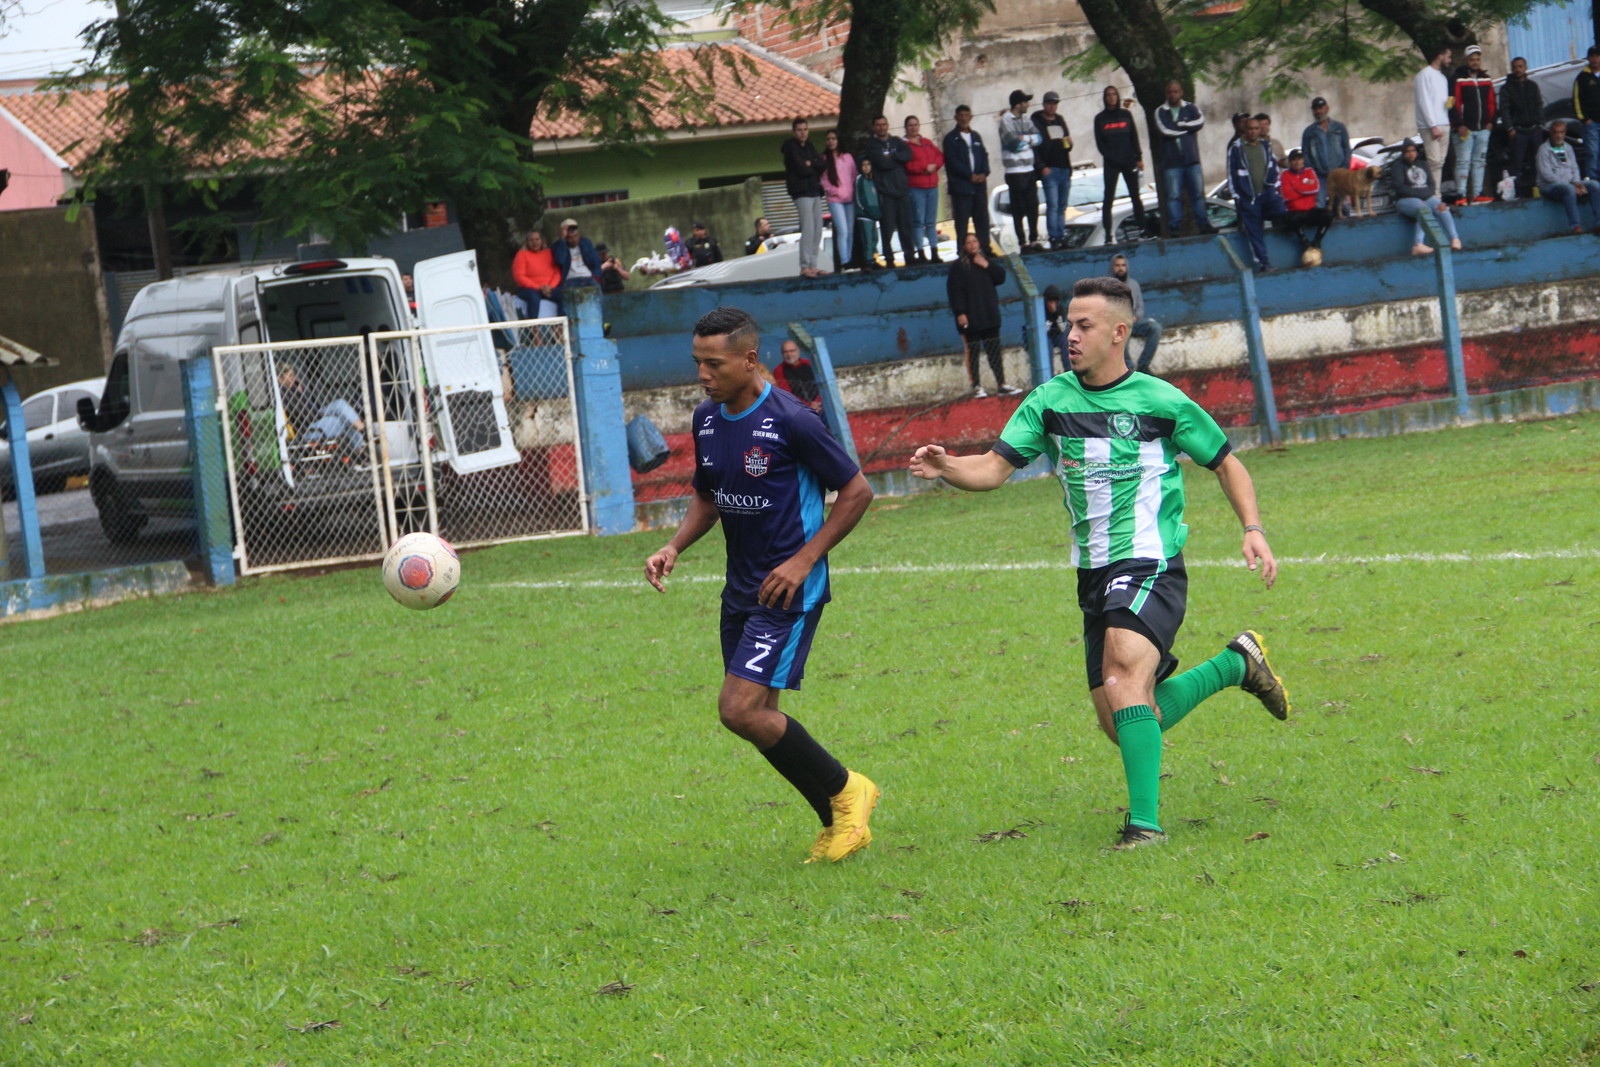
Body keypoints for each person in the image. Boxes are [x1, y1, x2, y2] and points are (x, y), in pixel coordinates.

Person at [907, 275, 1288, 851]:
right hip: (1092, 570)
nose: (1071, 336)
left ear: (1119, 332)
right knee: (1124, 717)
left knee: (1123, 672)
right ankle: (1235, 665)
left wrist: (1253, 529)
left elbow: (1228, 463)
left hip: (1150, 559)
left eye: (1083, 326)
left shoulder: (1161, 401)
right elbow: (991, 469)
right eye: (1068, 326)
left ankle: (1145, 827)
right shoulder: (1050, 401)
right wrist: (948, 466)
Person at [643, 307, 878, 865]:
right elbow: (708, 494)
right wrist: (674, 545)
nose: (703, 374)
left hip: (788, 591)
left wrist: (803, 560)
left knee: (740, 709)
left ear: (750, 359)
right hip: (740, 590)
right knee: (759, 719)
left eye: (714, 363)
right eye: (697, 362)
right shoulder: (706, 419)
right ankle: (838, 820)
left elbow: (857, 491)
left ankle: (849, 789)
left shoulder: (793, 419)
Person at [946, 232, 1020, 398]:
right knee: (973, 352)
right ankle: (976, 386)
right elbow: (954, 292)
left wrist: (985, 264)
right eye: (968, 242)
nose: (972, 245)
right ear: (963, 246)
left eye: (975, 241)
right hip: (971, 317)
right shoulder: (958, 267)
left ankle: (1001, 383)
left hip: (989, 315)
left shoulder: (985, 262)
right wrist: (960, 313)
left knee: (994, 351)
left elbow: (1001, 277)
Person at [1379, 139, 1462, 255]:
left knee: (1442, 207)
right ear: (1403, 153)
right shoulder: (1398, 167)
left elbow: (1432, 185)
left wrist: (1423, 196)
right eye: (1407, 151)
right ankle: (1418, 244)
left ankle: (1455, 239)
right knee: (1424, 209)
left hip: (1426, 198)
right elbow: (1401, 188)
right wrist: (1420, 196)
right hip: (1405, 200)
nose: (1411, 153)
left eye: (1413, 150)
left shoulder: (1423, 164)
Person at [1228, 115, 1289, 271]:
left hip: (1267, 193)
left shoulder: (1265, 145)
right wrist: (1238, 196)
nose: (1254, 132)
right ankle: (1264, 262)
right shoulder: (1237, 148)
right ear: (1245, 130)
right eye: (1250, 129)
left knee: (1283, 212)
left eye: (1256, 129)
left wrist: (1274, 185)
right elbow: (1231, 173)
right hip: (1248, 197)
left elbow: (1273, 166)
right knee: (1255, 232)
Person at [862, 115, 916, 268]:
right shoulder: (872, 145)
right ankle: (889, 259)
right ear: (874, 127)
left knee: (906, 226)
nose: (881, 127)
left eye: (884, 124)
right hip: (886, 193)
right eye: (878, 125)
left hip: (902, 191)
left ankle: (910, 257)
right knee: (887, 228)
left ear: (888, 125)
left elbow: (908, 155)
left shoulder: (896, 141)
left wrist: (892, 156)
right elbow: (882, 163)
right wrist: (896, 159)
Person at [1094, 86, 1148, 240]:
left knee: (1135, 196)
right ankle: (1108, 236)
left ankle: (1143, 229)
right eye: (1108, 95)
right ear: (1104, 98)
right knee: (1108, 197)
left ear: (1117, 97)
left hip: (1129, 161)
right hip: (1111, 163)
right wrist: (1112, 157)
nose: (1111, 97)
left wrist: (1138, 158)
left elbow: (1134, 137)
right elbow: (1100, 144)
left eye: (1114, 94)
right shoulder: (1100, 119)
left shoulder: (1126, 115)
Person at [277, 362, 366, 454]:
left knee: (340, 404)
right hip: (308, 429)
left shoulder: (291, 390)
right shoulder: (284, 394)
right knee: (342, 419)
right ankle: (363, 439)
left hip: (315, 416)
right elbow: (303, 416)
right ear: (281, 378)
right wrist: (320, 415)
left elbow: (308, 409)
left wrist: (299, 392)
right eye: (290, 375)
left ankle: (362, 438)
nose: (294, 378)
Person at [1154, 81, 1206, 236]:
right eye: (1170, 92)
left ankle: (1203, 224)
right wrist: (1187, 129)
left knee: (1198, 194)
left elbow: (1200, 121)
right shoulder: (1161, 111)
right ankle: (1175, 226)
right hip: (1172, 161)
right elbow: (1165, 130)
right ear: (1166, 94)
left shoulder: (1190, 108)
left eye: (1176, 92)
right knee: (1173, 196)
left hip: (1191, 159)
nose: (1173, 95)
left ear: (1181, 92)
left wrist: (1181, 124)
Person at [943, 104, 993, 251]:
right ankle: (962, 251)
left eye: (967, 115)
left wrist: (984, 173)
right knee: (962, 221)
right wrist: (968, 175)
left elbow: (984, 156)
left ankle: (985, 247)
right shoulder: (951, 139)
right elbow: (952, 162)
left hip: (979, 186)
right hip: (961, 187)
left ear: (971, 117)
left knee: (982, 218)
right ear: (956, 117)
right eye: (961, 115)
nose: (964, 118)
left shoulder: (976, 136)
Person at [1451, 45, 1497, 205]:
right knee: (1463, 161)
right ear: (1466, 60)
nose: (1475, 62)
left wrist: (1491, 122)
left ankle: (1478, 194)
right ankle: (1460, 195)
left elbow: (1492, 102)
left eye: (1477, 59)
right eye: (1472, 59)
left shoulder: (1486, 79)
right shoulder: (1457, 78)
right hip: (1465, 130)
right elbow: (1451, 103)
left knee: (1479, 161)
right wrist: (1458, 124)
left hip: (1483, 129)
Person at [1535, 120, 1600, 234]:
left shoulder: (1568, 147)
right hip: (1550, 186)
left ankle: (1598, 223)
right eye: (1556, 132)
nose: (1559, 135)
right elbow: (1546, 175)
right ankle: (1575, 226)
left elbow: (1574, 168)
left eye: (1561, 132)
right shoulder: (1543, 150)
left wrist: (1577, 183)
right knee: (1568, 189)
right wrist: (1571, 185)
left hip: (1570, 183)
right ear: (1551, 133)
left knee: (1595, 185)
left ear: (1565, 133)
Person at [781, 118, 826, 277]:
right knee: (807, 228)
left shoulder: (810, 146)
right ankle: (805, 266)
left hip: (814, 190)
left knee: (818, 229)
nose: (803, 132)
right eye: (800, 130)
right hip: (801, 192)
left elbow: (821, 165)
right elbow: (800, 168)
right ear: (794, 131)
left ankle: (814, 265)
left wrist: (811, 164)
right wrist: (811, 165)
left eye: (805, 129)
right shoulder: (790, 147)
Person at [998, 89, 1043, 251]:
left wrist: (1025, 138)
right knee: (1018, 207)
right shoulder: (1005, 120)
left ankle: (1033, 240)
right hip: (1014, 171)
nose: (1027, 105)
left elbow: (1039, 138)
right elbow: (1013, 144)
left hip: (1029, 169)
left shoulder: (1026, 119)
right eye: (1025, 102)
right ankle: (1022, 242)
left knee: (1033, 205)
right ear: (1018, 104)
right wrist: (1028, 140)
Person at [1032, 90, 1073, 250]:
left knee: (1062, 205)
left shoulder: (1060, 119)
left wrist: (1068, 143)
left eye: (1055, 104)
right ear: (1044, 105)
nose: (1052, 107)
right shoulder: (1037, 121)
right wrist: (1041, 166)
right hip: (1050, 168)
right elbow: (1036, 146)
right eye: (1049, 103)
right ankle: (1054, 236)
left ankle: (1061, 235)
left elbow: (1067, 144)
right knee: (1053, 204)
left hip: (1064, 167)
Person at [1500, 57, 1546, 199]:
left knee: (1538, 162)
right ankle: (1517, 193)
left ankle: (1539, 190)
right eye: (1515, 67)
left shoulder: (1532, 85)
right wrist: (1510, 128)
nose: (1518, 69)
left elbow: (1539, 104)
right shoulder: (1507, 88)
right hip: (1518, 130)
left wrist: (1540, 123)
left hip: (1534, 129)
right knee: (1516, 164)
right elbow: (1504, 109)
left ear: (1526, 67)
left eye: (1520, 66)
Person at [1110, 254, 1162, 373]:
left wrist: (1136, 316)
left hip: (1134, 321)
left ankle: (1143, 365)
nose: (1120, 268)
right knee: (1121, 338)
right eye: (1117, 265)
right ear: (1113, 268)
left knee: (1155, 328)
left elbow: (1140, 306)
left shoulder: (1134, 284)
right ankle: (1130, 370)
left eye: (1123, 265)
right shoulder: (1107, 286)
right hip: (1118, 324)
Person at [1414, 44, 1454, 198]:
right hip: (1431, 126)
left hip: (1444, 122)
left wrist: (1450, 105)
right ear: (1440, 55)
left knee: (1440, 162)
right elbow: (1424, 101)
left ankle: (1436, 193)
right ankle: (1433, 195)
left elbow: (1439, 102)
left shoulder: (1442, 77)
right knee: (1434, 161)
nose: (1449, 60)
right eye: (1448, 56)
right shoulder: (1424, 75)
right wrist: (1432, 125)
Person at [904, 116, 945, 264]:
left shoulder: (927, 142)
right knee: (918, 221)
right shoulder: (905, 145)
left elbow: (940, 156)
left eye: (915, 124)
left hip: (932, 186)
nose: (913, 128)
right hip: (916, 187)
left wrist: (934, 165)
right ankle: (920, 252)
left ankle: (934, 252)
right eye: (910, 125)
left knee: (931, 222)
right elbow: (907, 165)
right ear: (906, 128)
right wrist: (923, 168)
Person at [1300, 96, 1351, 211]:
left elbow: (1347, 149)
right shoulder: (1309, 132)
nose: (1318, 111)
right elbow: (1306, 154)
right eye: (1315, 109)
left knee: (1343, 207)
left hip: (1339, 175)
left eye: (1320, 108)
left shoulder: (1339, 127)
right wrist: (1312, 172)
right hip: (1320, 177)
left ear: (1327, 108)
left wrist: (1344, 169)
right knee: (1319, 205)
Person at [1279, 149, 1332, 252]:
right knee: (1291, 219)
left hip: (1310, 210)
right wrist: (1304, 189)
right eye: (1294, 159)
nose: (1297, 162)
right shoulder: (1285, 175)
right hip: (1295, 212)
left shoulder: (1309, 172)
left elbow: (1315, 188)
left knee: (1328, 215)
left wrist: (1296, 187)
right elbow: (1286, 195)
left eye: (1299, 159)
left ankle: (1317, 240)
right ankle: (1304, 241)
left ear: (1303, 160)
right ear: (1290, 162)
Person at [820, 130, 858, 269]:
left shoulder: (847, 157)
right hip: (835, 200)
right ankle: (844, 261)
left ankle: (850, 259)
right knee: (842, 230)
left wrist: (850, 190)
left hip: (850, 198)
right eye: (828, 139)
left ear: (838, 140)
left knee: (850, 230)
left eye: (833, 138)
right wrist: (834, 191)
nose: (831, 141)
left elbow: (854, 174)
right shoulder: (824, 159)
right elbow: (823, 180)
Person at [512, 229, 561, 317]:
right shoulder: (522, 254)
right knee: (533, 297)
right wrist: (539, 287)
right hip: (529, 288)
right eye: (531, 240)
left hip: (548, 288)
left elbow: (557, 273)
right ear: (527, 242)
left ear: (542, 241)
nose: (534, 242)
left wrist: (550, 287)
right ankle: (534, 327)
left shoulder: (549, 253)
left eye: (537, 239)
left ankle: (561, 326)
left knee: (563, 295)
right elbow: (519, 276)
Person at [552, 218, 603, 300]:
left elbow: (596, 262)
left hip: (588, 277)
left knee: (597, 297)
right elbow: (560, 260)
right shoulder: (558, 246)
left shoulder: (586, 243)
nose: (574, 240)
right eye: (570, 237)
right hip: (570, 280)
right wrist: (562, 240)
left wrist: (596, 277)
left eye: (576, 236)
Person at [773, 339, 823, 410]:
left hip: (819, 403)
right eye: (785, 352)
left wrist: (817, 402)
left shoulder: (808, 363)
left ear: (798, 351)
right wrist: (808, 405)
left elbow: (820, 384)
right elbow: (787, 393)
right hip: (800, 407)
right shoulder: (779, 370)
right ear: (782, 354)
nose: (789, 354)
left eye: (792, 351)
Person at [1575, 45, 1600, 181]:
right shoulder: (1583, 77)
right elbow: (1577, 99)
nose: (1595, 59)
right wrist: (1584, 119)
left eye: (1597, 56)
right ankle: (1593, 180)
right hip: (1591, 123)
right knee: (1593, 152)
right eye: (1592, 56)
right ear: (1588, 58)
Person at [854, 155, 883, 268]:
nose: (866, 167)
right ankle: (868, 261)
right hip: (864, 215)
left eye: (868, 165)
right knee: (867, 240)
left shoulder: (872, 180)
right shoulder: (859, 179)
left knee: (874, 239)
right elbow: (858, 197)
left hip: (873, 215)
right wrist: (864, 209)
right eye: (863, 165)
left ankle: (874, 259)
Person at [1043, 283, 1067, 373]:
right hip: (1046, 336)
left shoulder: (1060, 309)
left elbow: (1062, 328)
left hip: (1057, 334)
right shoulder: (1042, 309)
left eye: (1054, 301)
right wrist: (1049, 318)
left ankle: (1069, 371)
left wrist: (1056, 314)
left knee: (1065, 343)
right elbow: (1043, 330)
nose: (1052, 304)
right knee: (1047, 347)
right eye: (1050, 301)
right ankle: (1050, 374)